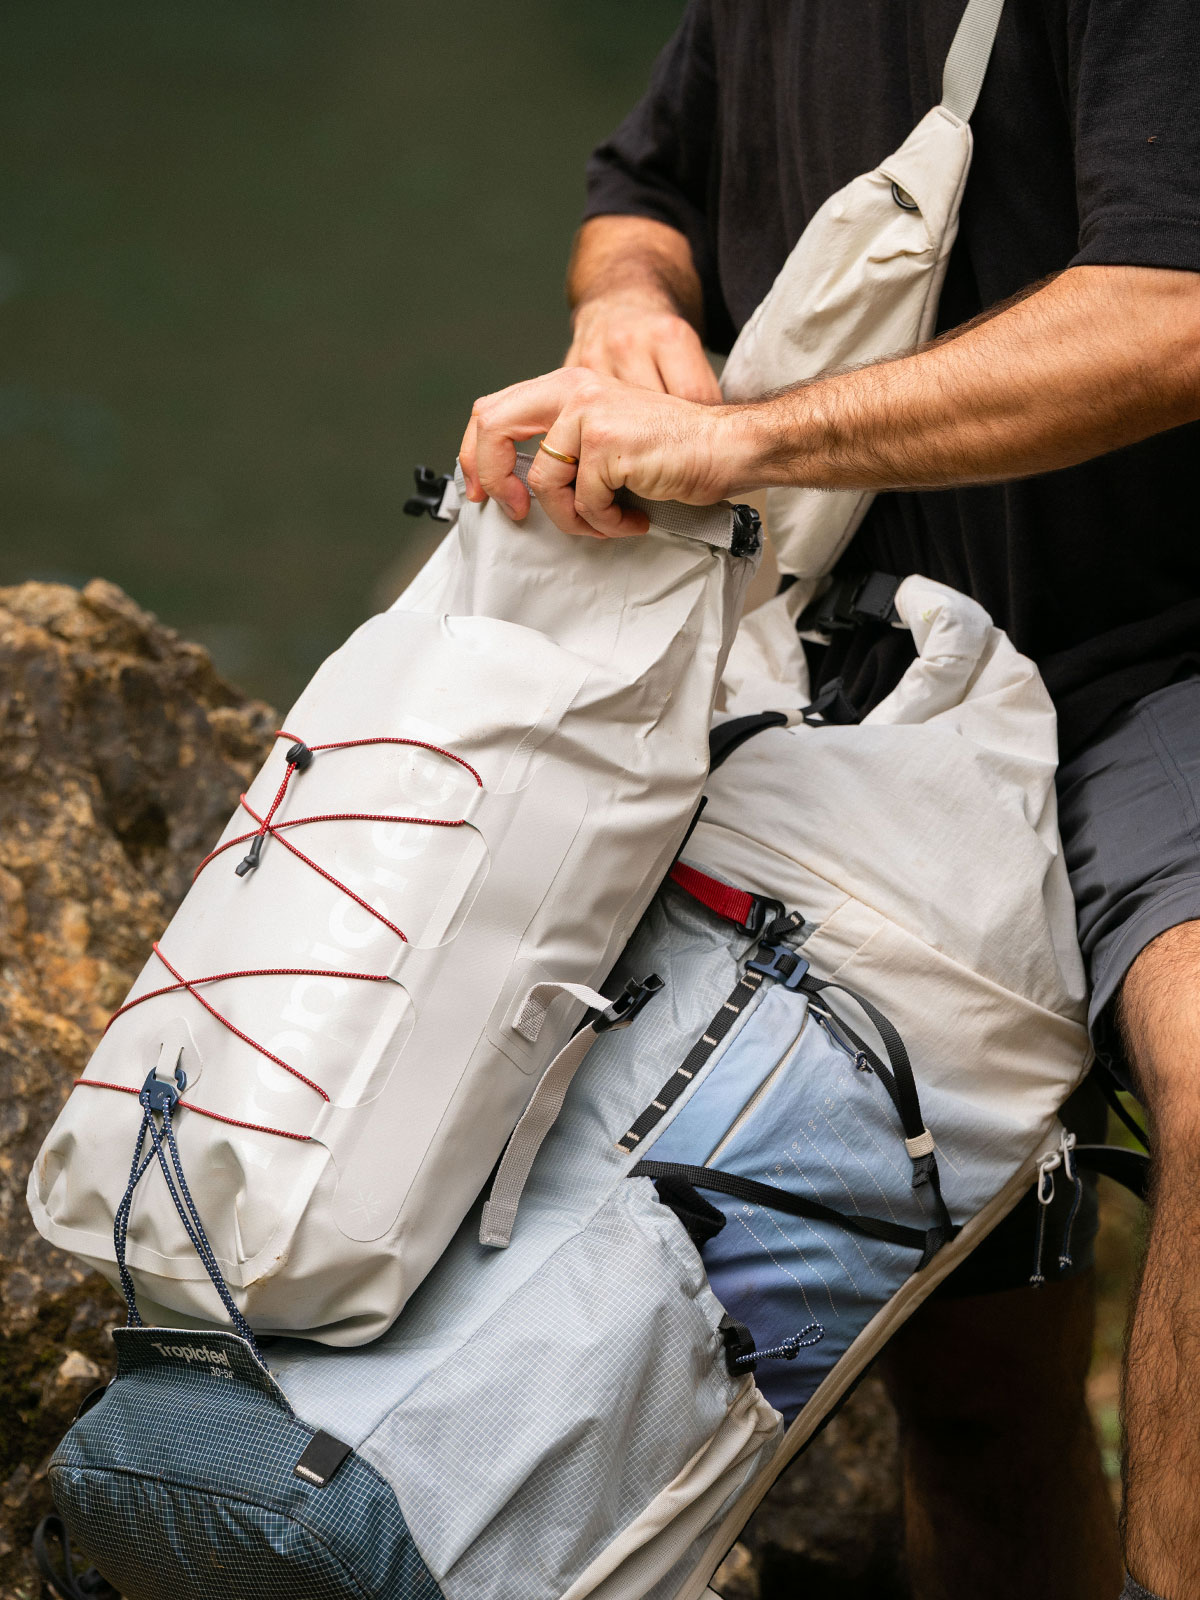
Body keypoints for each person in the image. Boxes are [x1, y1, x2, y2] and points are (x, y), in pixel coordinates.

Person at [458, 4, 1200, 1598]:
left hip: (1161, 673)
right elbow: (635, 193)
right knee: (971, 1398)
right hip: (861, 689)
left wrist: (740, 437)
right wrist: (629, 319)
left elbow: (1171, 314)